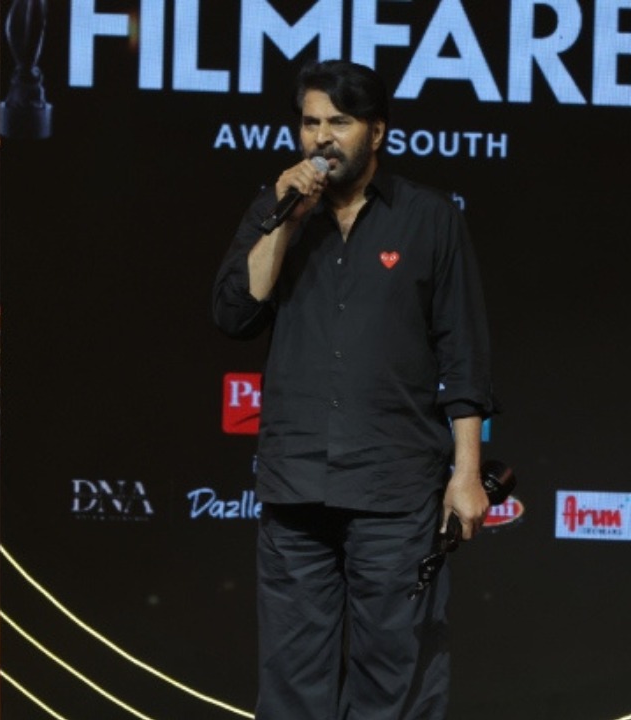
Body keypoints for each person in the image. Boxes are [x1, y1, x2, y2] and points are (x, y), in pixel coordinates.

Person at [212, 60, 496, 719]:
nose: (321, 137)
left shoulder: (429, 218)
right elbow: (233, 314)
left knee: (393, 680)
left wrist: (467, 472)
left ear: (377, 132)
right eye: (310, 122)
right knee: (292, 683)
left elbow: (464, 352)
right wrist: (286, 221)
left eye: (338, 122)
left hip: (394, 490)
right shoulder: (277, 208)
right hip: (296, 485)